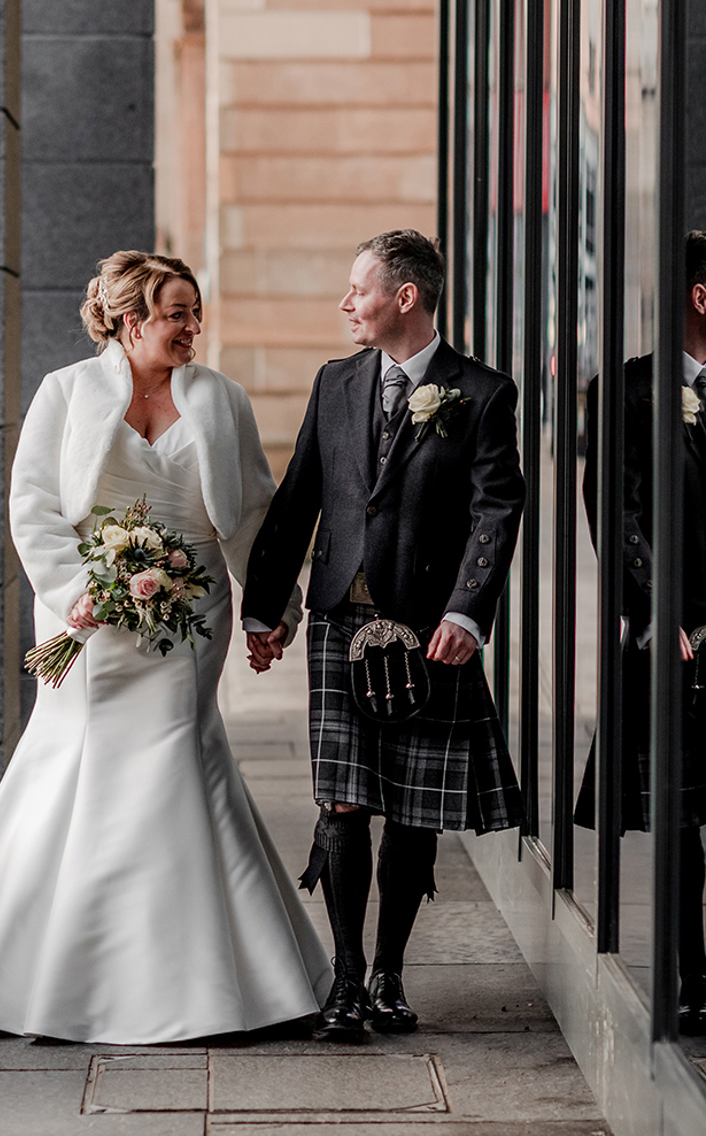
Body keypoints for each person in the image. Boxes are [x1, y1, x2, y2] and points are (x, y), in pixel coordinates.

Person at [0, 250, 332, 1044]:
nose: (193, 328)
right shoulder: (66, 392)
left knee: (179, 753)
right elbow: (32, 506)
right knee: (69, 762)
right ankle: (35, 975)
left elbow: (255, 516)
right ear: (132, 322)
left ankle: (207, 984)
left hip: (192, 613)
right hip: (88, 614)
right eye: (177, 315)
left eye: (195, 313)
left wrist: (272, 613)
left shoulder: (221, 400)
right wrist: (73, 592)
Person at [241, 230, 525, 1042]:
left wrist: (467, 613)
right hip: (340, 620)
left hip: (427, 630)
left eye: (356, 290)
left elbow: (495, 510)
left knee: (412, 812)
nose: (344, 304)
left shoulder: (482, 391)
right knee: (340, 803)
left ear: (404, 297)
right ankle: (343, 979)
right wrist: (266, 609)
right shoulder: (335, 383)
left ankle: (390, 974)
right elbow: (299, 498)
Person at [575, 229, 706, 1031]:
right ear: (701, 297)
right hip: (675, 635)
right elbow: (613, 509)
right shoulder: (629, 391)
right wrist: (658, 609)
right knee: (682, 818)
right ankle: (692, 980)